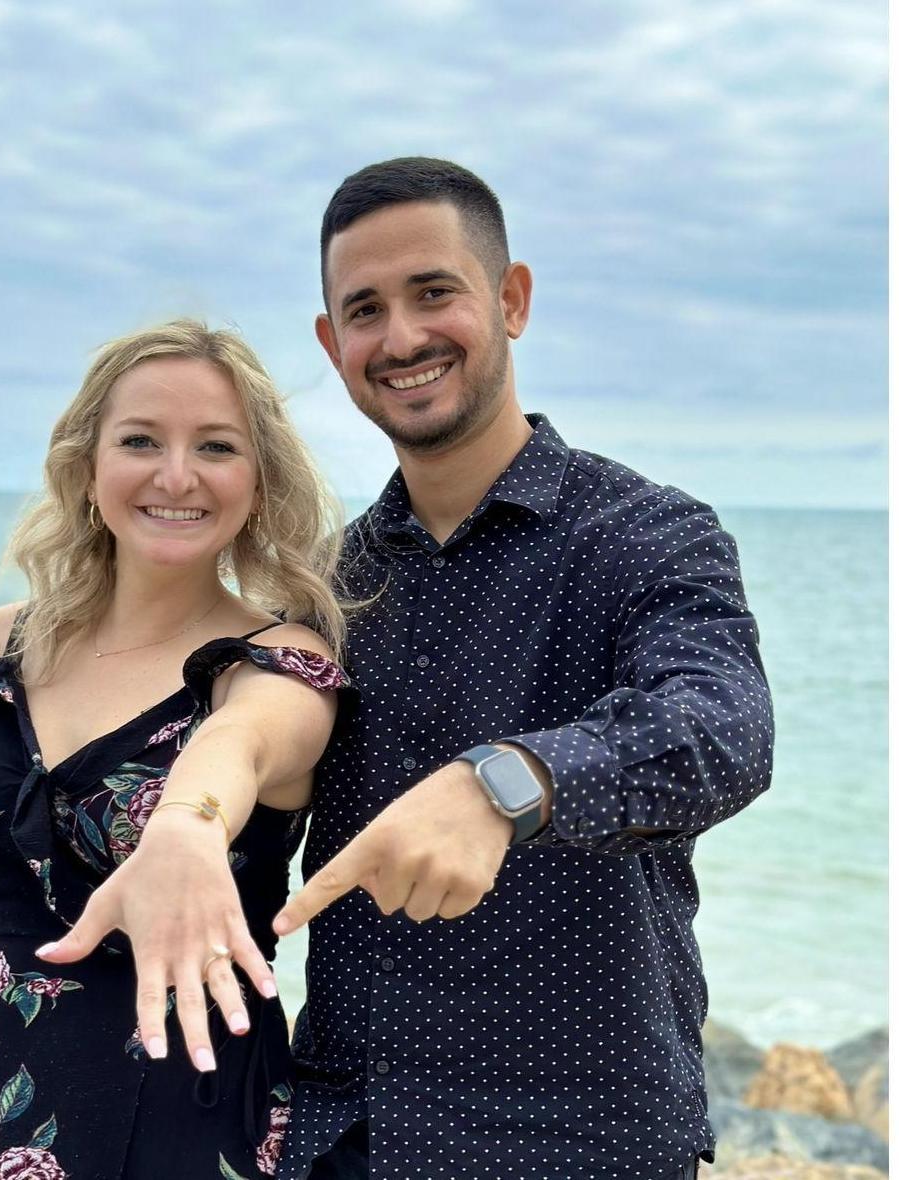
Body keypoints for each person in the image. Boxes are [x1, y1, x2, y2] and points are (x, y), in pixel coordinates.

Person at [260, 158, 774, 1180]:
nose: (401, 338)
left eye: (433, 292)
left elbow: (725, 727)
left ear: (512, 300)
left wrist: (508, 782)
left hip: (580, 1137)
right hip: (349, 1132)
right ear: (330, 344)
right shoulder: (326, 585)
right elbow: (234, 800)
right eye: (365, 309)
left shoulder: (648, 534)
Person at [0, 319, 352, 1180]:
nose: (175, 476)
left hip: (179, 1115)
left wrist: (186, 824)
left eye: (215, 446)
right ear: (86, 467)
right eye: (140, 440)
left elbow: (240, 744)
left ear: (259, 482)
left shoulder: (276, 664)